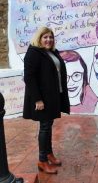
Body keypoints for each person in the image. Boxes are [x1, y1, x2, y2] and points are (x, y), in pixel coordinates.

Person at [23, 27, 70, 174]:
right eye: (45, 37)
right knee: (44, 127)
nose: (48, 40)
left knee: (48, 125)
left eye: (51, 37)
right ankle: (42, 160)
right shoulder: (33, 53)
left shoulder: (51, 52)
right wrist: (38, 99)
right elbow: (29, 77)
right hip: (42, 98)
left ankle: (49, 154)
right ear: (39, 38)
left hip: (52, 96)